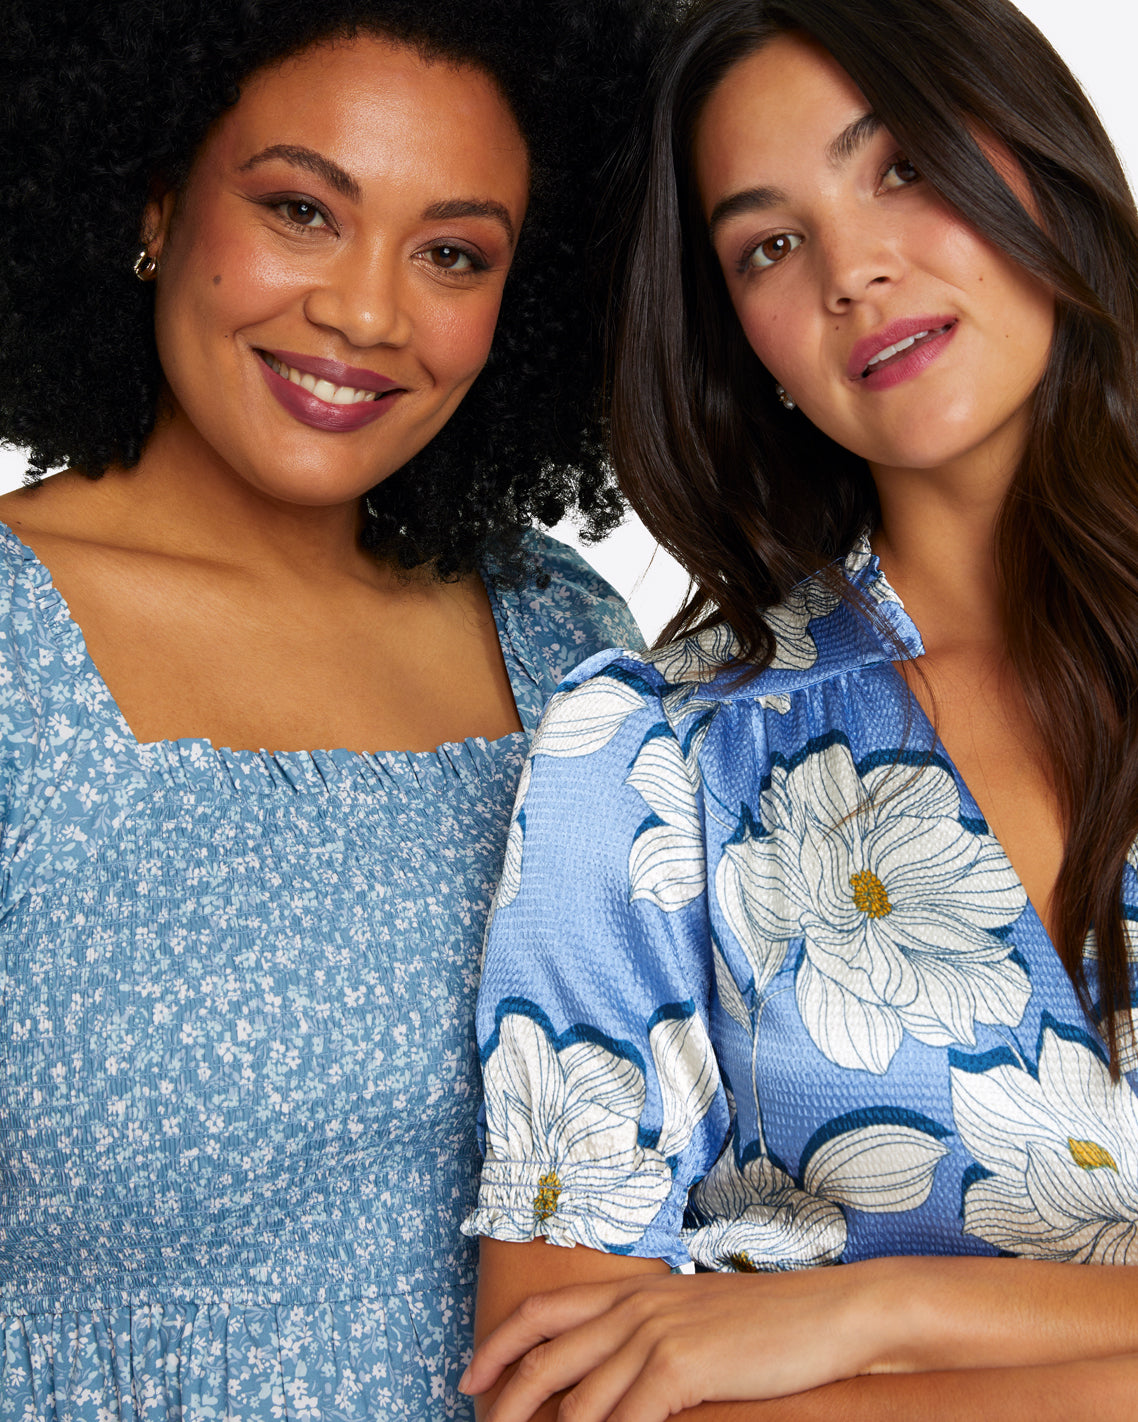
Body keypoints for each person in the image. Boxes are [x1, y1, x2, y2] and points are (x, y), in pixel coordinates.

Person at [462, 0, 1138, 1416]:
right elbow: (557, 1384)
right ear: (740, 343)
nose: (853, 271)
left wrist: (868, 1312)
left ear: (1044, 167)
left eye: (903, 166)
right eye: (769, 245)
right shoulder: (655, 756)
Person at [0, 0, 669, 1415]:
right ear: (156, 201)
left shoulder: (564, 636)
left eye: (451, 253)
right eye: (302, 210)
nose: (367, 313)